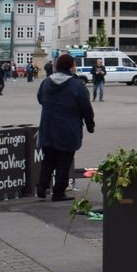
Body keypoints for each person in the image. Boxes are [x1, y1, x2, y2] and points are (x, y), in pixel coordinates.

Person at [36, 53, 95, 202]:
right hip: (67, 129)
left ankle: (41, 188)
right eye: (74, 64)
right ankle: (58, 192)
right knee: (64, 161)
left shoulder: (46, 82)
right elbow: (86, 108)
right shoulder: (76, 85)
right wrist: (90, 125)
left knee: (48, 158)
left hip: (48, 126)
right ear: (70, 66)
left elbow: (40, 99)